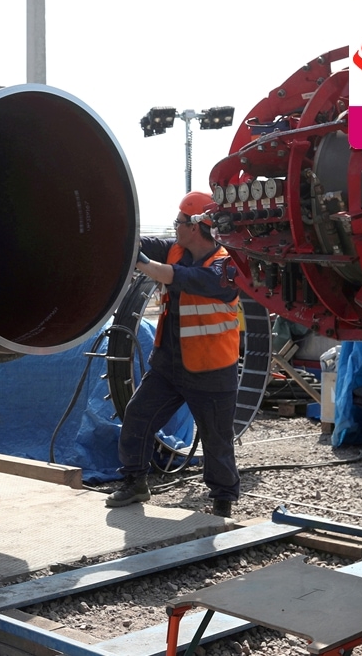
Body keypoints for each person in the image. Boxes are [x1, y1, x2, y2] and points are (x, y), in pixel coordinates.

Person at [105, 191, 242, 518]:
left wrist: (142, 263)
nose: (175, 226)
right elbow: (139, 243)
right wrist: (115, 234)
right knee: (138, 416)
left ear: (195, 226)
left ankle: (222, 501)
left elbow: (179, 277)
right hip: (169, 364)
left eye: (179, 221)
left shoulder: (225, 266)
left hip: (211, 370)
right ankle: (135, 482)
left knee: (216, 440)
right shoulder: (175, 249)